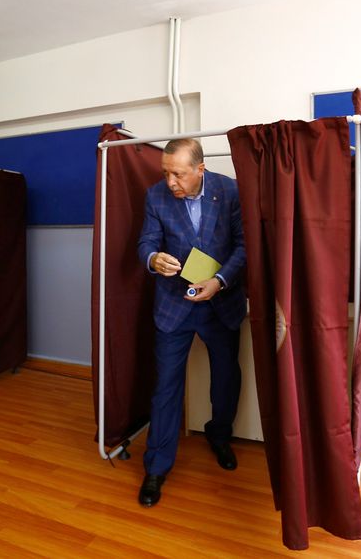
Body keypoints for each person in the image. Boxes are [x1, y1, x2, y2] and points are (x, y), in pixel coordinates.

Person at [137, 138, 247, 507]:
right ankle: (156, 466)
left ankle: (219, 436)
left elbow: (244, 246)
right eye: (166, 173)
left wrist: (219, 282)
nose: (171, 182)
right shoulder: (156, 196)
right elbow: (146, 242)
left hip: (220, 303)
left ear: (200, 169)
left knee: (226, 378)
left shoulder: (229, 190)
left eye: (179, 175)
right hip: (173, 307)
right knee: (166, 387)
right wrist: (153, 259)